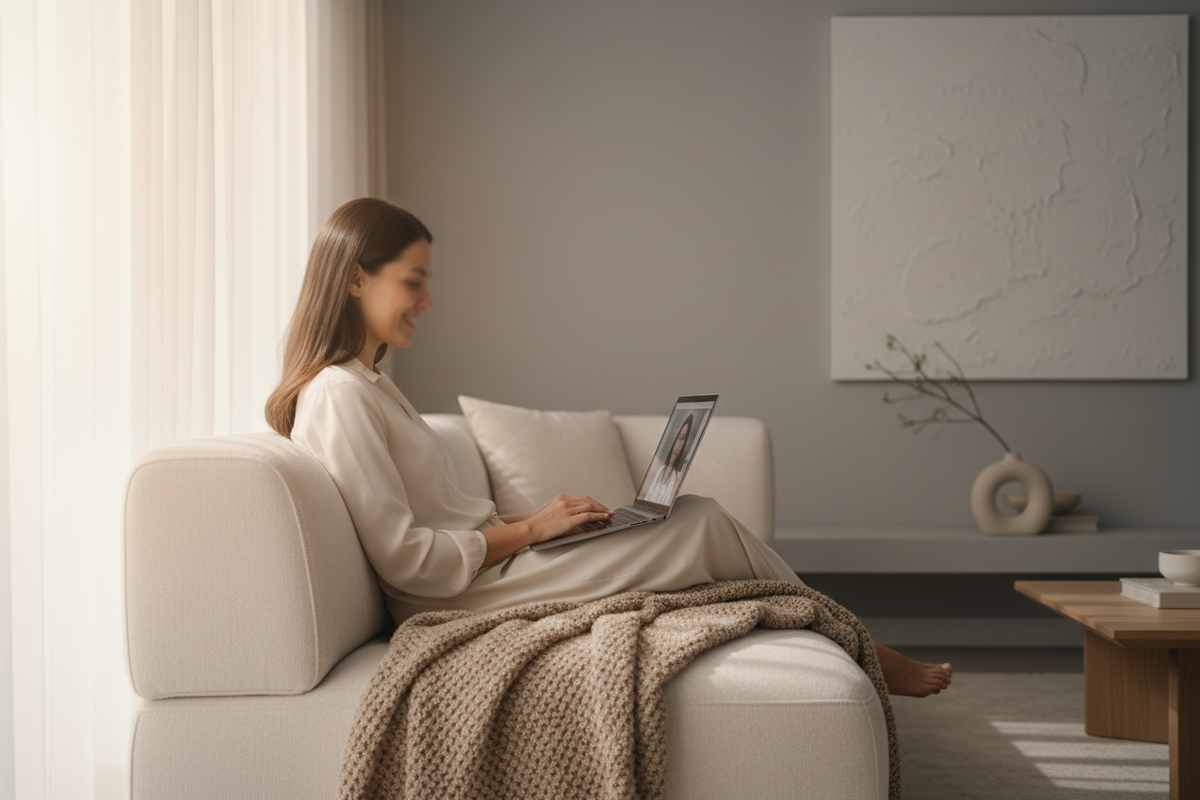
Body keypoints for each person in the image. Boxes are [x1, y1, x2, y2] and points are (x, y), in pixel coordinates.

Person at [265, 198, 952, 698]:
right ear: (356, 277)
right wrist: (531, 530)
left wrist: (537, 527)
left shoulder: (372, 386)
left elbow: (440, 518)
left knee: (687, 517)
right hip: (454, 600)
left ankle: (840, 637)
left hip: (488, 571)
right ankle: (853, 643)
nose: (428, 302)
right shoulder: (338, 396)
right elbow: (407, 559)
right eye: (414, 282)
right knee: (704, 519)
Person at [641, 414, 693, 505]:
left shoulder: (678, 476)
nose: (678, 444)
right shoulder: (657, 467)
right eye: (677, 437)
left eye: (682, 439)